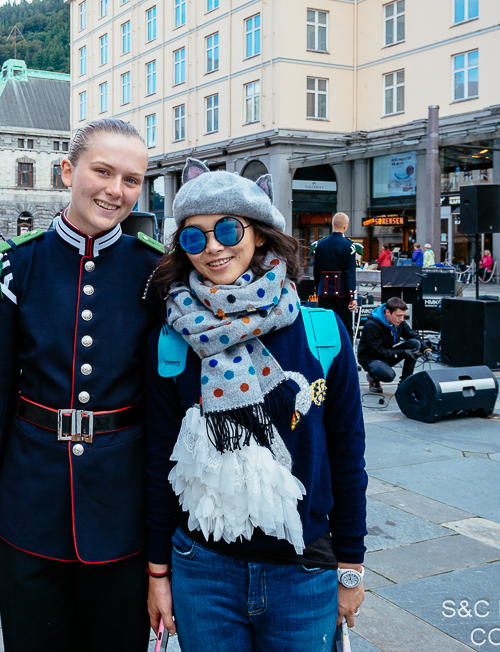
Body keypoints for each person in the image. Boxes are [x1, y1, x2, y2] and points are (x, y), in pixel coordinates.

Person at [144, 160, 367, 652]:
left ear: (261, 233)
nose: (213, 247)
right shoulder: (173, 339)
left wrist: (351, 566)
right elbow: (160, 462)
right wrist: (157, 571)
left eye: (228, 229)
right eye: (195, 237)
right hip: (203, 571)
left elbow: (347, 453)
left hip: (303, 571)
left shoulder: (320, 332)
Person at [0, 117, 162, 652]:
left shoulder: (155, 273)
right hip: (29, 509)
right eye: (103, 171)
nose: (116, 190)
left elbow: (165, 411)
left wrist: (164, 540)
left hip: (122, 513)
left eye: (132, 179)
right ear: (68, 172)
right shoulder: (17, 266)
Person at [357, 297, 422, 394]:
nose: (402, 319)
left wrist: (426, 350)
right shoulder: (372, 325)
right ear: (387, 312)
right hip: (371, 357)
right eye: (399, 316)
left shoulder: (399, 322)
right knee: (389, 375)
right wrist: (403, 352)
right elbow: (378, 352)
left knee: (415, 344)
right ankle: (373, 376)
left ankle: (404, 383)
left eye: (403, 316)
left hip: (387, 353)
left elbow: (413, 336)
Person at [312, 212, 357, 334]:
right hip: (343, 291)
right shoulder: (349, 245)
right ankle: (346, 347)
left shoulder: (319, 244)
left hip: (324, 290)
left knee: (325, 326)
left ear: (333, 225)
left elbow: (316, 270)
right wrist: (352, 296)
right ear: (345, 226)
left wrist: (317, 289)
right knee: (345, 327)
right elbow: (350, 272)